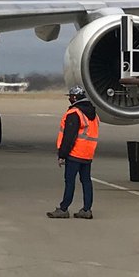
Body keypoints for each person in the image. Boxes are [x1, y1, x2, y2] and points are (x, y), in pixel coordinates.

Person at [48, 85, 99, 220]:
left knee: (70, 181)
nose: (69, 99)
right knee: (86, 181)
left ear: (75, 98)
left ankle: (64, 208)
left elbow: (69, 137)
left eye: (70, 97)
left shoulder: (74, 113)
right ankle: (87, 209)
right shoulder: (93, 114)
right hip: (88, 154)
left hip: (75, 153)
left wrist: (62, 155)